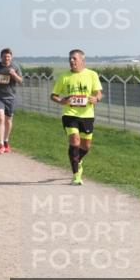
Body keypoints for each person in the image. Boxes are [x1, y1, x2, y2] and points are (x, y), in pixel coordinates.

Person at [50, 49, 103, 185]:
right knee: (74, 140)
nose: (71, 61)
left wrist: (96, 98)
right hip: (70, 114)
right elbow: (53, 96)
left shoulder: (92, 74)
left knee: (86, 146)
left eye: (74, 58)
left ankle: (77, 160)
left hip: (87, 115)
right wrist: (62, 101)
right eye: (70, 59)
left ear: (82, 60)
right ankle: (76, 176)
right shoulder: (64, 76)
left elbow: (98, 93)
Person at [0, 48, 24, 154]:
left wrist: (14, 74)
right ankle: (0, 144)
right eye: (5, 56)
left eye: (8, 57)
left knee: (8, 120)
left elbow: (21, 81)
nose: (6, 58)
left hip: (10, 97)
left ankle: (6, 141)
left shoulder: (15, 67)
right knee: (1, 118)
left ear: (11, 57)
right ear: (1, 57)